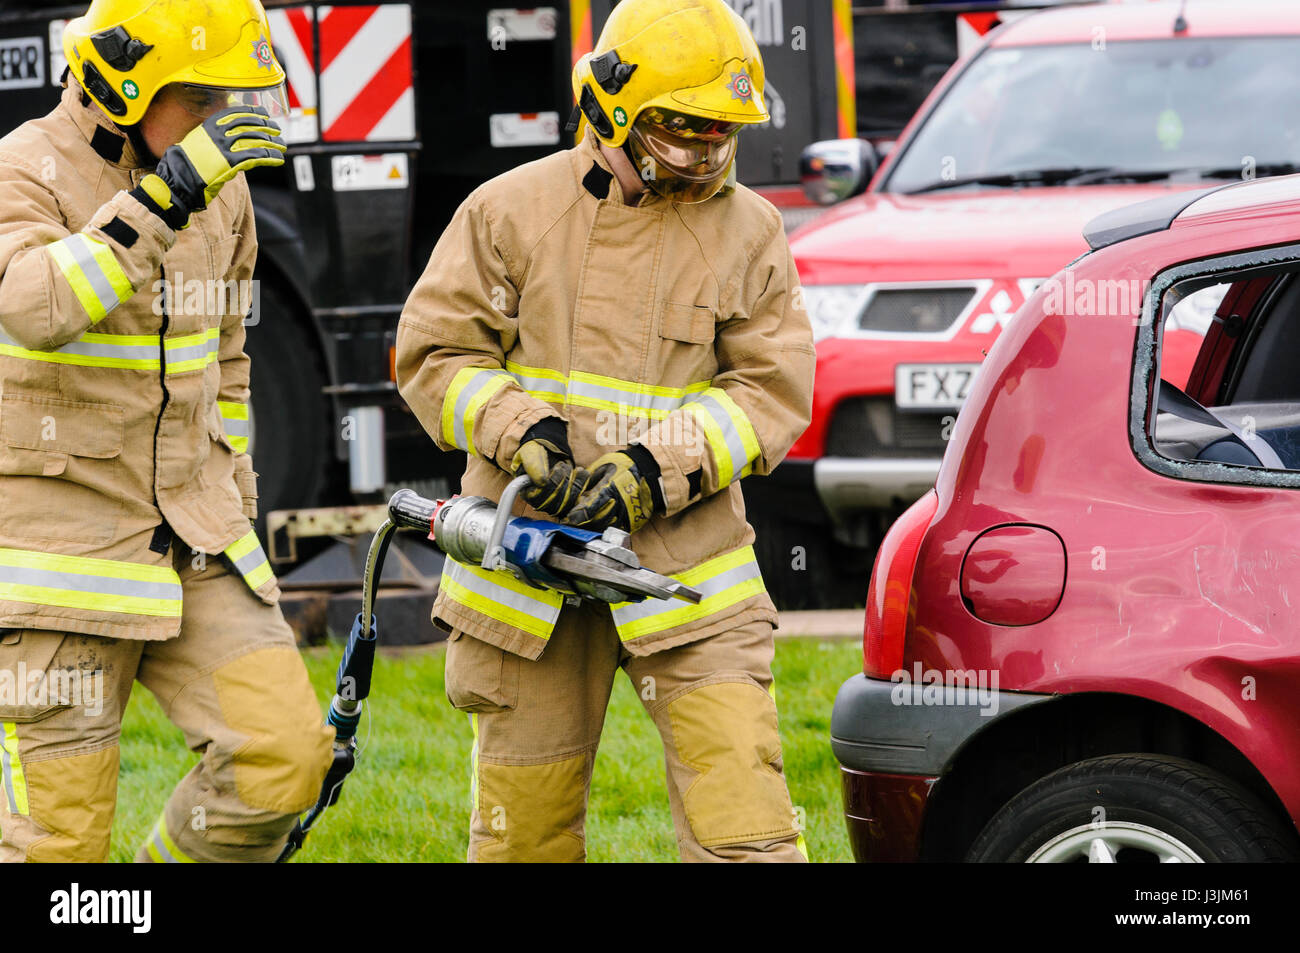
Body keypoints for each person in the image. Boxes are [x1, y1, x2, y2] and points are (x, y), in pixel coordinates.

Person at [397, 0, 815, 862]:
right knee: (526, 844)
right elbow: (433, 355)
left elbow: (771, 390)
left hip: (688, 574)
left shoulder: (751, 230)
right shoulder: (508, 212)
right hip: (528, 578)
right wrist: (524, 431)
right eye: (682, 131)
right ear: (612, 109)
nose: (705, 154)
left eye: (720, 134)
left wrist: (650, 471)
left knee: (749, 833)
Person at [0, 0, 332, 863]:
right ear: (124, 84)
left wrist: (239, 499)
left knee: (285, 762)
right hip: (61, 559)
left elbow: (228, 360)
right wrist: (165, 198)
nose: (223, 123)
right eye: (204, 101)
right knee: (54, 847)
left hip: (196, 541)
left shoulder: (222, 196)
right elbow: (37, 305)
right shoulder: (22, 168)